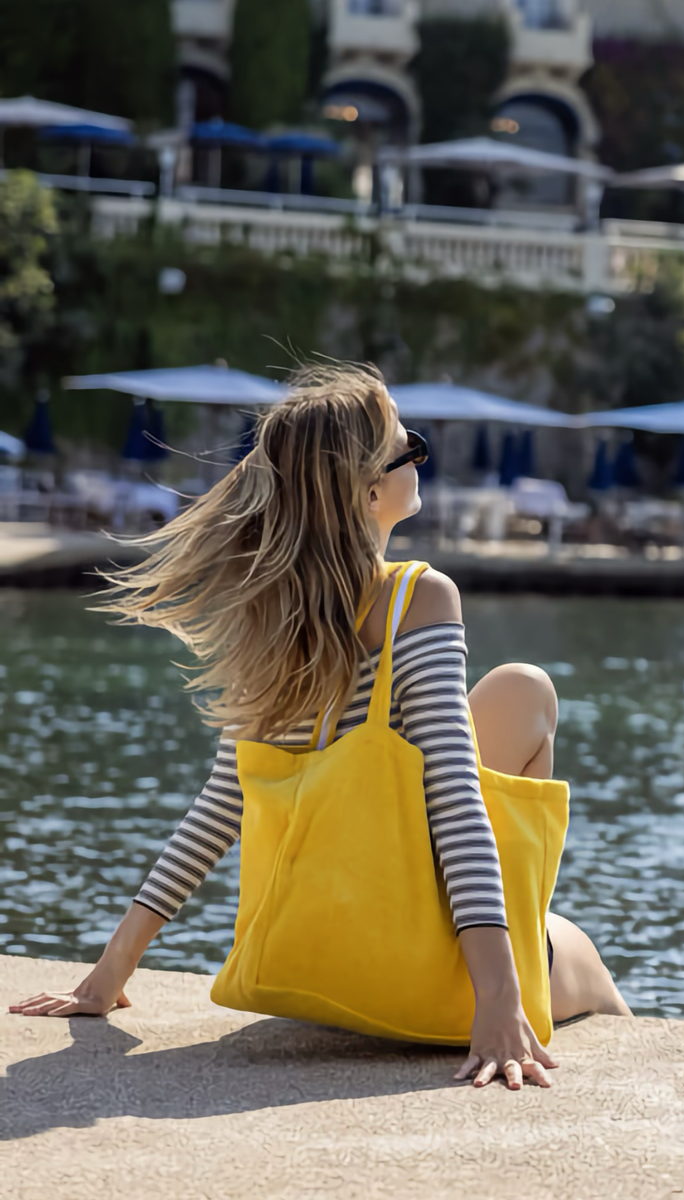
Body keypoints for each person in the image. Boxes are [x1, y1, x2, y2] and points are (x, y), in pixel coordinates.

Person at [8, 364, 632, 1089]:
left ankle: (505, 963)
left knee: (494, 712)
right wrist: (498, 998)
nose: (421, 457)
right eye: (411, 447)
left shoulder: (272, 624)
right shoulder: (420, 599)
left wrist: (110, 971)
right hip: (420, 978)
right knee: (528, 694)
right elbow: (456, 799)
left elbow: (221, 805)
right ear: (371, 493)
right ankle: (512, 969)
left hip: (310, 964)